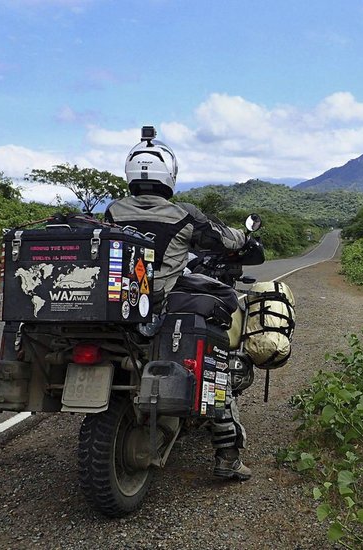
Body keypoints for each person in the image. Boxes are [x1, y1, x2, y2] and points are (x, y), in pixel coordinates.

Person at [104, 126, 252, 481]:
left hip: (119, 301)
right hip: (162, 297)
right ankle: (226, 453)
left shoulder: (113, 211)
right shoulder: (182, 214)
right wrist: (245, 237)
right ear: (169, 176)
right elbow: (221, 239)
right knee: (225, 305)